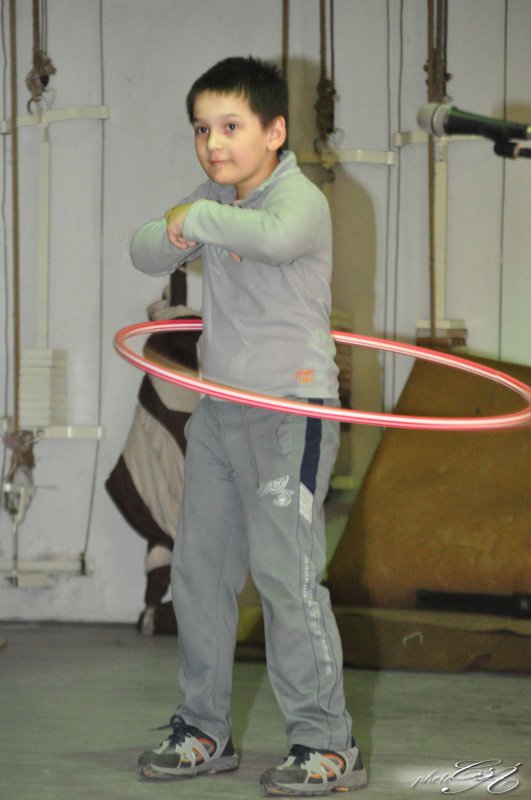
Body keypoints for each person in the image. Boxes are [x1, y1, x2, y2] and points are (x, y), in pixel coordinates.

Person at [130, 55, 367, 796]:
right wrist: (178, 227)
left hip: (290, 413)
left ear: (275, 131)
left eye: (230, 126)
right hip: (219, 413)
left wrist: (193, 218)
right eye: (202, 129)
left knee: (285, 578)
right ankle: (203, 728)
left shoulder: (300, 200)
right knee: (199, 573)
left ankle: (327, 743)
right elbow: (143, 250)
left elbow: (272, 238)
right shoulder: (214, 200)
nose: (213, 144)